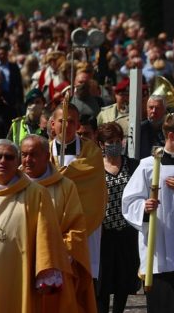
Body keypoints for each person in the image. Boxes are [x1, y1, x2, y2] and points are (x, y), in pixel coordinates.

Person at [122, 114, 174, 313]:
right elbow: (129, 201)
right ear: (171, 136)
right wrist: (144, 207)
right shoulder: (148, 165)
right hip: (160, 250)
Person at [0, 139, 69, 312]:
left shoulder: (36, 193)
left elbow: (46, 236)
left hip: (20, 275)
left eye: (9, 157)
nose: (2, 161)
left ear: (17, 162)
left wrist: (45, 273)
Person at [20, 134, 96, 313]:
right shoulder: (12, 184)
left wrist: (53, 255)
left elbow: (76, 229)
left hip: (55, 263)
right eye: (23, 155)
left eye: (33, 154)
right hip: (19, 262)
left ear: (47, 156)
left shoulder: (65, 186)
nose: (27, 160)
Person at [50, 103, 107, 279]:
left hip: (83, 222)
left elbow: (93, 189)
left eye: (71, 121)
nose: (66, 125)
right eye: (62, 121)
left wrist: (61, 175)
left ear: (77, 125)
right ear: (52, 124)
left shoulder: (91, 151)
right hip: (50, 222)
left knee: (81, 279)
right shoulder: (41, 151)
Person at [95, 123, 141, 313]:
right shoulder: (95, 168)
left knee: (124, 280)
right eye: (109, 142)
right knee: (103, 282)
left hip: (127, 232)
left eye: (117, 141)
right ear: (101, 144)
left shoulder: (133, 165)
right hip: (104, 232)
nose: (114, 145)